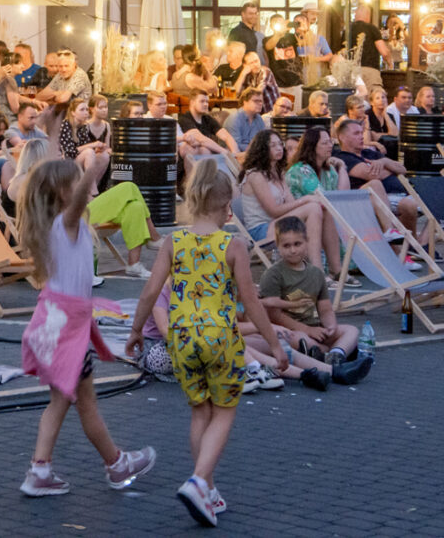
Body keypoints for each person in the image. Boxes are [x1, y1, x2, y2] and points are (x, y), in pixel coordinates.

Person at [123, 158, 283, 525]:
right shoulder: (233, 245)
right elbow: (251, 302)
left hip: (181, 338)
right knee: (224, 410)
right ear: (228, 208)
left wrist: (135, 332)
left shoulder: (172, 241)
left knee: (200, 411)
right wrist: (273, 345)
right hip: (220, 339)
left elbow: (149, 292)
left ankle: (207, 489)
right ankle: (198, 481)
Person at [18, 155, 156, 498]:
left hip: (55, 323)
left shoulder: (60, 227)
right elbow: (78, 197)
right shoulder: (66, 223)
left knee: (61, 401)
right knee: (86, 401)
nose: (88, 185)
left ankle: (40, 469)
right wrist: (95, 165)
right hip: (66, 329)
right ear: (65, 192)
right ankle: (116, 463)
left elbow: (70, 191)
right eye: (79, 181)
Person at [257, 216, 374, 374]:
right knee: (298, 339)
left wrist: (330, 326)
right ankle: (333, 353)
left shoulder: (316, 273)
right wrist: (307, 330)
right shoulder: (273, 274)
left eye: (297, 244)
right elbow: (275, 315)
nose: (293, 250)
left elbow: (325, 309)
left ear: (307, 242)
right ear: (278, 246)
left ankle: (335, 355)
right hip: (291, 331)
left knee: (351, 330)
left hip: (315, 328)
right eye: (286, 245)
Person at [237, 130, 329, 252]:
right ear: (262, 149)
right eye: (273, 145)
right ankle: (316, 266)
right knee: (313, 207)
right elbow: (274, 211)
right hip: (261, 232)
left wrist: (307, 202)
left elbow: (290, 203)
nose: (279, 148)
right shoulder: (255, 175)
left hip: (277, 224)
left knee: (324, 209)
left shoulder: (279, 174)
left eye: (280, 144)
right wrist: (305, 200)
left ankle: (336, 269)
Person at [332, 118, 421, 238]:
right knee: (409, 204)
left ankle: (420, 244)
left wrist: (383, 161)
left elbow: (402, 169)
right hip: (376, 198)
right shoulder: (344, 157)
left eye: (361, 132)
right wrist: (391, 169)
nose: (362, 136)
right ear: (342, 137)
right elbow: (374, 175)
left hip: (403, 193)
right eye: (356, 133)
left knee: (436, 203)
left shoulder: (369, 153)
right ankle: (405, 242)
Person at [283, 126, 348, 279]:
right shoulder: (301, 170)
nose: (330, 146)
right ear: (312, 146)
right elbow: (325, 200)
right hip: (300, 220)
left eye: (331, 142)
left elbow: (342, 195)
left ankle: (337, 270)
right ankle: (335, 270)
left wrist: (342, 167)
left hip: (322, 218)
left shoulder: (328, 170)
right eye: (325, 143)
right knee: (326, 210)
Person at [348, 4, 392, 93]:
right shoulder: (372, 28)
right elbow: (384, 52)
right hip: (370, 71)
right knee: (374, 99)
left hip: (352, 71)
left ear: (356, 14)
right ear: (368, 15)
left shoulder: (348, 30)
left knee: (356, 101)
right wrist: (390, 64)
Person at [177, 91, 234, 159]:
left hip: (208, 157)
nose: (206, 104)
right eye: (202, 101)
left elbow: (226, 136)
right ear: (192, 102)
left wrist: (235, 154)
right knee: (204, 149)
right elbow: (202, 139)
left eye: (207, 102)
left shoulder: (207, 118)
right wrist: (225, 152)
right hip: (191, 161)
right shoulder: (184, 119)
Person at [221, 88, 266, 154]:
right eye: (256, 101)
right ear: (245, 102)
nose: (260, 104)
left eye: (261, 101)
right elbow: (235, 146)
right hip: (233, 155)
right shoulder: (235, 119)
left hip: (254, 154)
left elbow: (263, 141)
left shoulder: (259, 119)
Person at [364, 87, 397, 156]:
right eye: (377, 98)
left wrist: (385, 114)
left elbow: (395, 134)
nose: (381, 100)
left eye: (383, 97)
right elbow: (368, 139)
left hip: (389, 148)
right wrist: (388, 134)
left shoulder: (389, 115)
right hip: (373, 148)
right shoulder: (367, 115)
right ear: (372, 102)